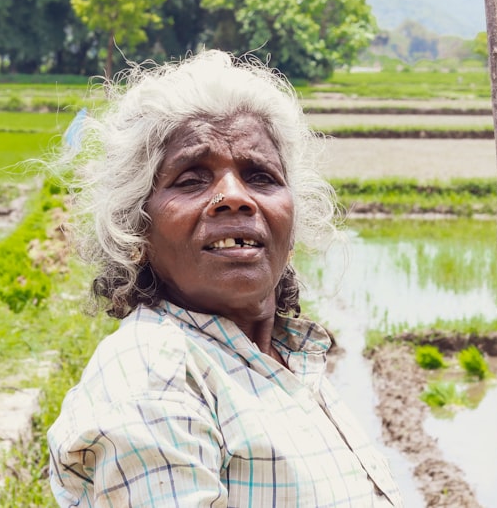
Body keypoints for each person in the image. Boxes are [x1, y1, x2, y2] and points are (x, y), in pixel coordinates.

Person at [47, 50, 403, 507]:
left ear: (291, 221)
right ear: (137, 228)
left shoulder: (282, 360)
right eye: (192, 179)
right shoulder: (156, 373)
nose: (235, 197)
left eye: (261, 176)